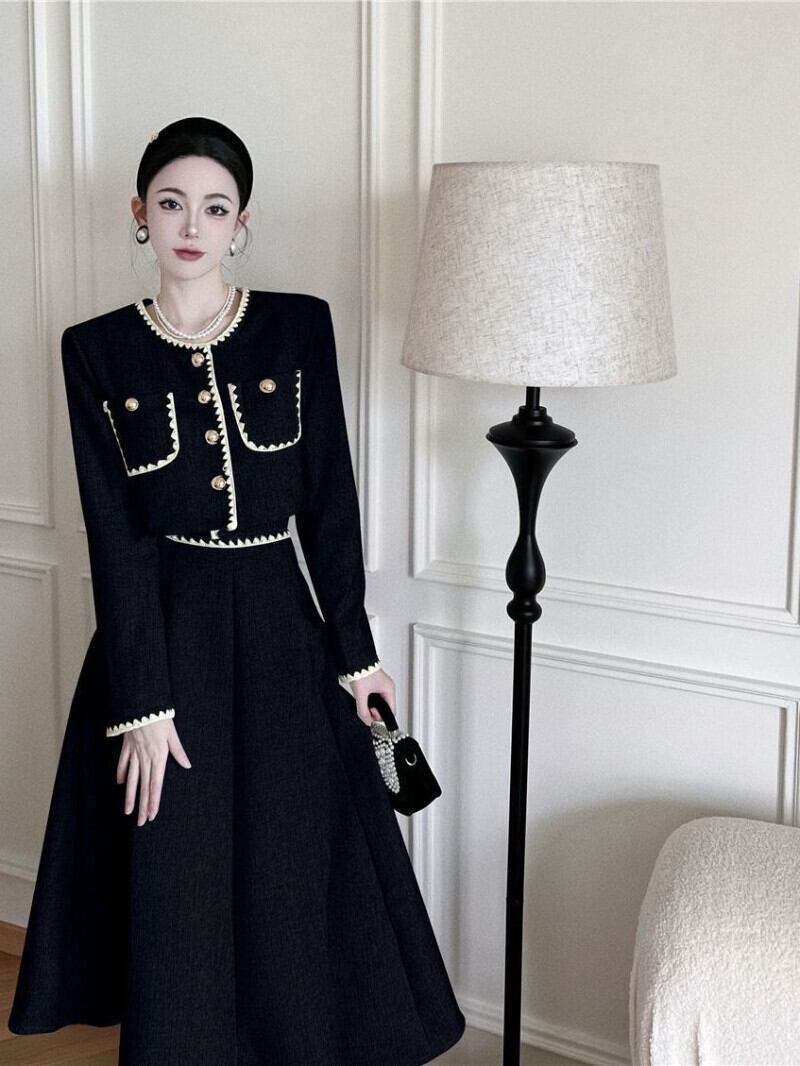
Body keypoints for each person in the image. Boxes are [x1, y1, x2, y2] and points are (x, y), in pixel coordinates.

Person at [8, 115, 466, 1065]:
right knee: (177, 866)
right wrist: (141, 703)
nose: (192, 225)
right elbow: (116, 537)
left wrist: (358, 658)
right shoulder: (95, 349)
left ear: (241, 222)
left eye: (215, 208)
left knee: (292, 859)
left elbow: (330, 505)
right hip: (162, 636)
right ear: (140, 213)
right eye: (172, 203)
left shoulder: (298, 327)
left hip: (281, 630)